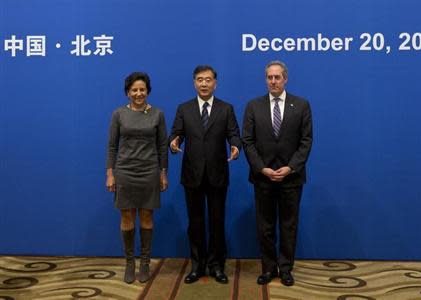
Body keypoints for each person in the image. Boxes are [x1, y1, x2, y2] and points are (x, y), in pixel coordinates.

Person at [242, 61, 313, 286]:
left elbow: (306, 141)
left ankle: (286, 269)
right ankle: (269, 268)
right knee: (265, 226)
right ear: (265, 80)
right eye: (269, 77)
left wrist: (291, 167)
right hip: (263, 177)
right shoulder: (253, 106)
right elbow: (248, 141)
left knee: (288, 225)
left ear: (285, 79)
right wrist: (261, 168)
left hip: (291, 178)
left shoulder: (301, 105)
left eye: (277, 77)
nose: (273, 81)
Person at [169, 65, 241, 284]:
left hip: (218, 174)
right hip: (192, 174)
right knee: (196, 222)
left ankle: (216, 266)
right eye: (200, 80)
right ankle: (197, 265)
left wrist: (236, 146)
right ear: (194, 83)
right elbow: (176, 133)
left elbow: (234, 134)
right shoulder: (184, 108)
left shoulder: (226, 108)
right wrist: (174, 142)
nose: (204, 84)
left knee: (217, 222)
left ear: (215, 83)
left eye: (208, 80)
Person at [106, 72, 168, 284]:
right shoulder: (118, 114)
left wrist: (163, 173)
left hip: (149, 170)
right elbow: (112, 146)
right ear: (127, 93)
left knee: (147, 217)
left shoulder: (157, 114)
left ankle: (145, 262)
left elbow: (162, 147)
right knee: (127, 217)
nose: (138, 93)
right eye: (134, 90)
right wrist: (110, 173)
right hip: (125, 171)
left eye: (142, 89)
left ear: (148, 91)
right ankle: (130, 262)